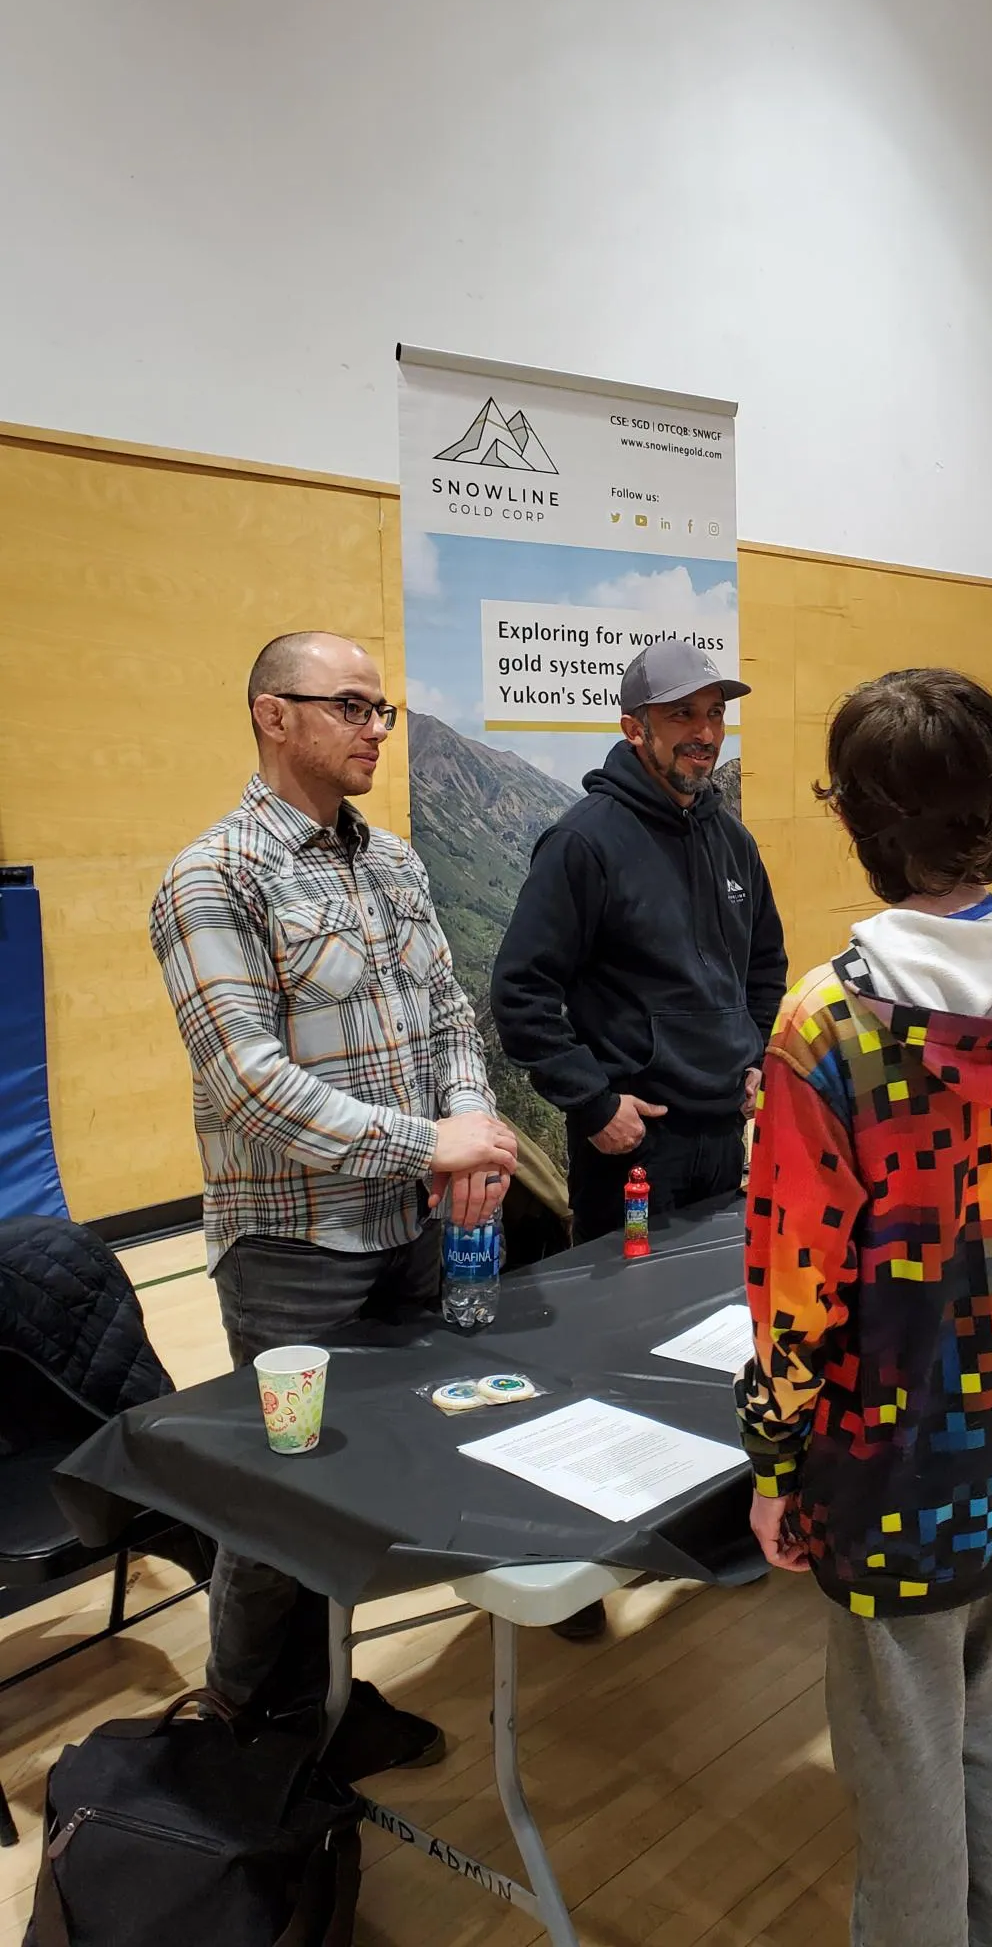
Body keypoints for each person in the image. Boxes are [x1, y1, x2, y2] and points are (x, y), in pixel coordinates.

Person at [736, 670, 992, 1947]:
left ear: (857, 819)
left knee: (906, 1781)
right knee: (991, 1750)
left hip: (892, 1471)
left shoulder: (830, 1021)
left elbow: (795, 1290)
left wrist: (773, 1463)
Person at [151, 630, 517, 1780]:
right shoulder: (212, 878)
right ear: (274, 714)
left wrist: (467, 1131)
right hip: (293, 1249)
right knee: (281, 1506)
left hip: (412, 1229)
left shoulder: (394, 864)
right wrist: (430, 1140)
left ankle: (334, 1697)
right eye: (350, 706)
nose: (375, 728)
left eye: (382, 709)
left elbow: (449, 1018)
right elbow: (247, 1083)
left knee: (389, 1462)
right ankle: (244, 1729)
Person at [491, 638, 787, 1243]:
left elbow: (765, 964)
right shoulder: (584, 842)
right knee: (625, 1300)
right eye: (682, 715)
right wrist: (593, 1104)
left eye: (715, 714)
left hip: (724, 1140)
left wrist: (756, 1055)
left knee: (718, 1298)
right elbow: (521, 991)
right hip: (632, 1145)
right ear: (634, 729)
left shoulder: (734, 842)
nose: (705, 733)